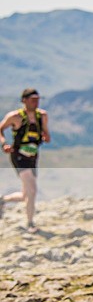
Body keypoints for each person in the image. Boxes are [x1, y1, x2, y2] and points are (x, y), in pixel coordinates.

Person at [0, 88, 50, 233]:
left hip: (33, 156)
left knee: (25, 194)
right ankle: (30, 223)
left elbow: (46, 133)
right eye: (32, 99)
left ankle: (3, 200)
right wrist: (4, 144)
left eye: (37, 99)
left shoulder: (42, 116)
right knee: (32, 190)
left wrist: (45, 137)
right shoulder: (15, 116)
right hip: (19, 156)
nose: (35, 102)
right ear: (24, 100)